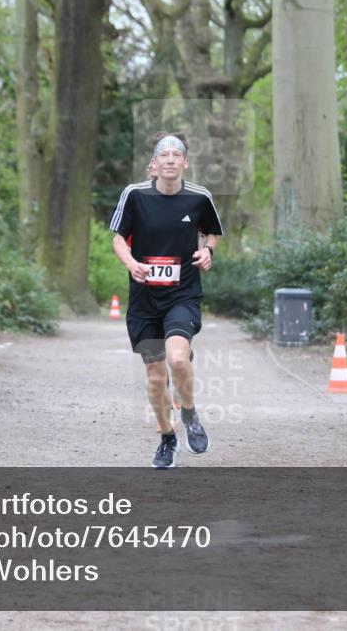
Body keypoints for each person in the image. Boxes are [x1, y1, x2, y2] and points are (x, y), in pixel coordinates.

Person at [110, 132, 223, 468]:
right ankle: (166, 437)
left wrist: (207, 251)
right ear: (154, 164)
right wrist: (131, 264)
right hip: (144, 300)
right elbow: (118, 239)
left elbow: (212, 233)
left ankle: (188, 413)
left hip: (182, 295)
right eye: (165, 155)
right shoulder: (135, 195)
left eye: (177, 155)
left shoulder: (199, 197)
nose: (171, 160)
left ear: (185, 163)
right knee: (156, 377)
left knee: (177, 359)